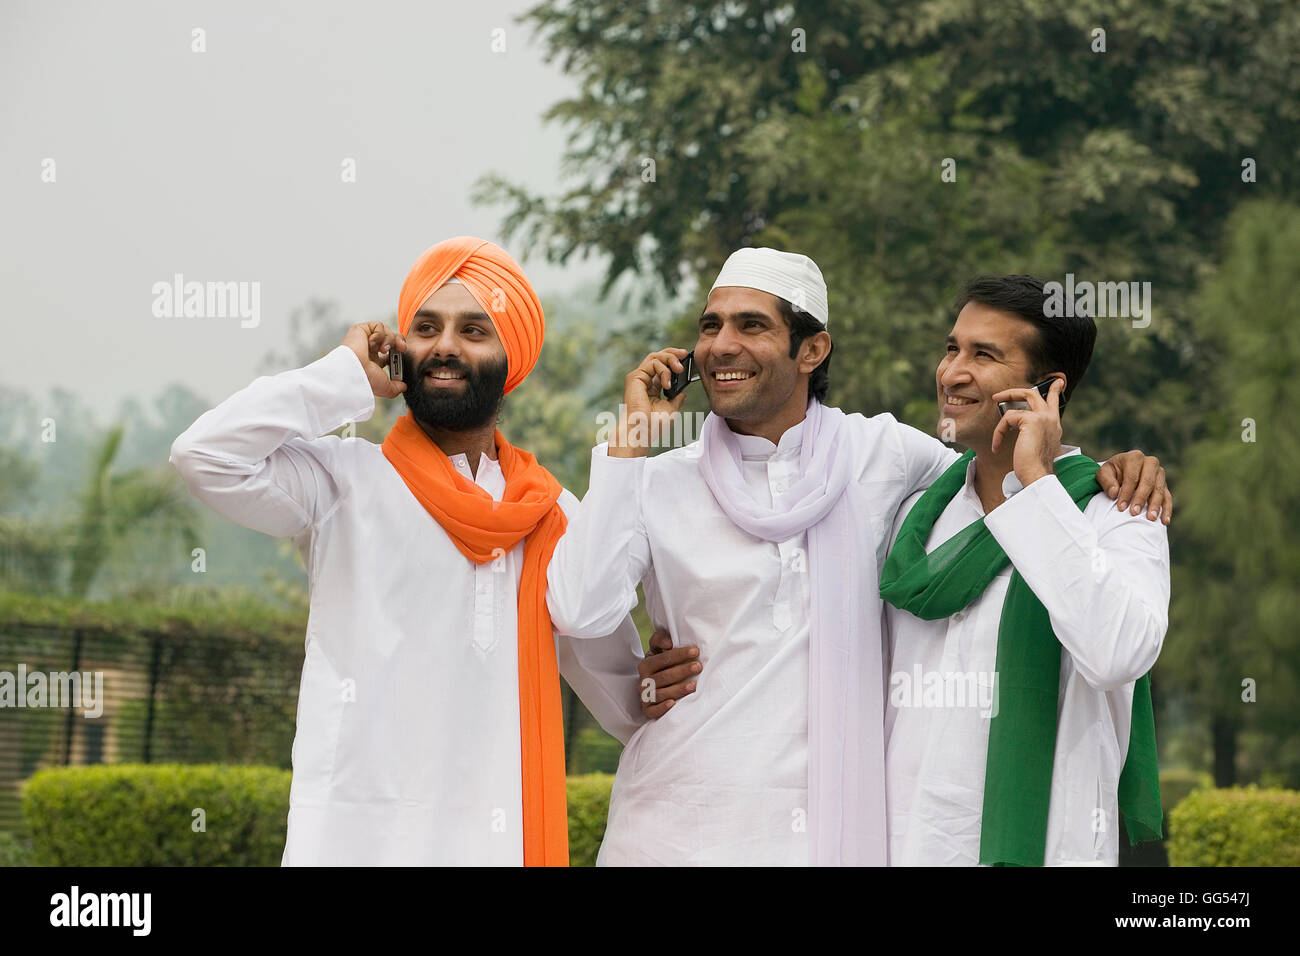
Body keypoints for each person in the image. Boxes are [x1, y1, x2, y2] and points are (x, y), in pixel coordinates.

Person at [546, 247, 1170, 866]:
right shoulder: (660, 482)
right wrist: (631, 440)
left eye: (752, 325)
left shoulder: (891, 462)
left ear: (811, 349)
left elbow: (1017, 494)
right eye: (711, 327)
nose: (721, 346)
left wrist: (1096, 471)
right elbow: (578, 611)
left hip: (842, 838)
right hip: (676, 826)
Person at [170, 236, 645, 866]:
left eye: (474, 329)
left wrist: (662, 689)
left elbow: (619, 688)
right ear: (402, 349)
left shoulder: (552, 514)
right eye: (426, 326)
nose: (445, 344)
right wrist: (340, 375)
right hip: (353, 841)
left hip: (494, 844)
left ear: (512, 358)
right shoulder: (343, 482)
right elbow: (204, 456)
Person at [881, 274, 1167, 866]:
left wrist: (1036, 482)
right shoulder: (913, 518)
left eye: (984, 355)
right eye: (951, 347)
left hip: (1048, 846)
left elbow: (1117, 654)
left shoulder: (1116, 513)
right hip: (904, 842)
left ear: (1048, 388)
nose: (952, 371)